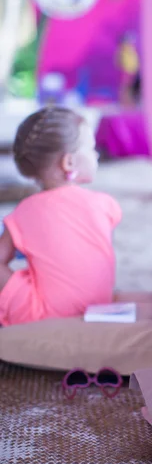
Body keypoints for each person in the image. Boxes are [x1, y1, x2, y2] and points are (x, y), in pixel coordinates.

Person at [0, 106, 121, 326]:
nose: (95, 154)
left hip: (40, 315)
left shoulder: (22, 212)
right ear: (69, 163)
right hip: (99, 306)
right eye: (91, 148)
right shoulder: (106, 204)